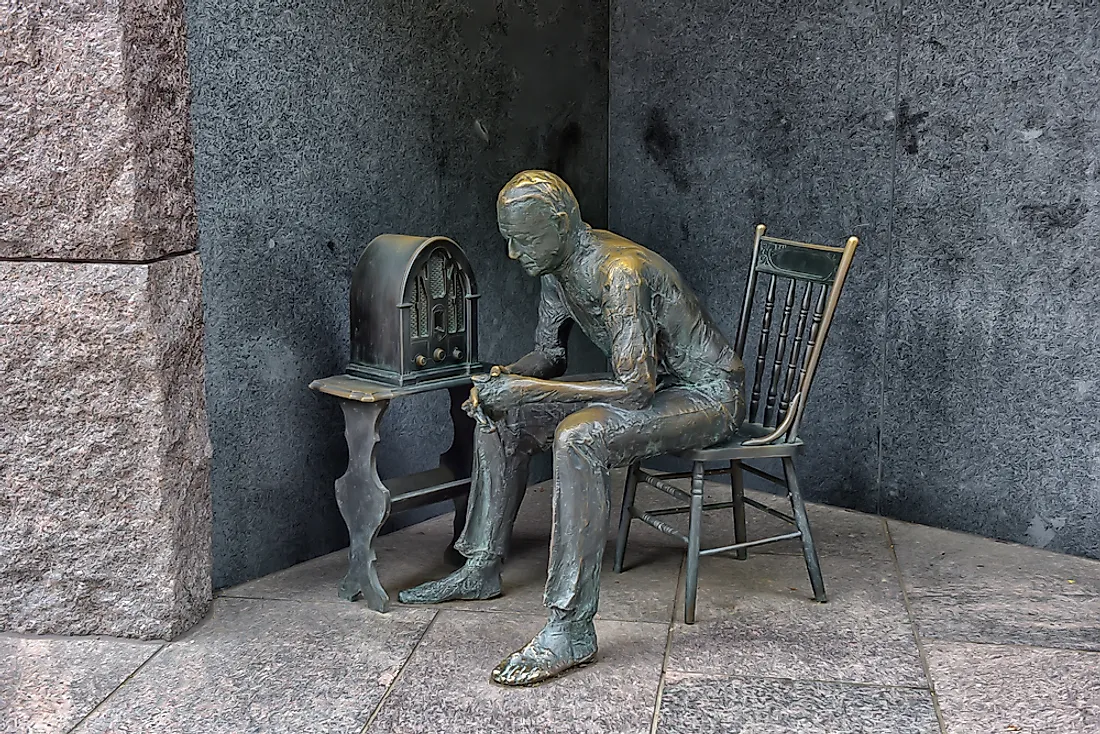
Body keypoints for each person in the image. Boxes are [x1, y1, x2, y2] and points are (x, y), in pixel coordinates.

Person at [399, 170, 746, 685]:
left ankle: (570, 627)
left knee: (580, 438)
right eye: (508, 240)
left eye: (524, 239)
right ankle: (481, 566)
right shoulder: (558, 268)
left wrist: (527, 390)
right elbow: (551, 355)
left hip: (708, 397)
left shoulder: (618, 273)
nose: (515, 255)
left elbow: (634, 390)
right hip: (655, 388)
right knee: (503, 414)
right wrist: (507, 381)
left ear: (561, 224)